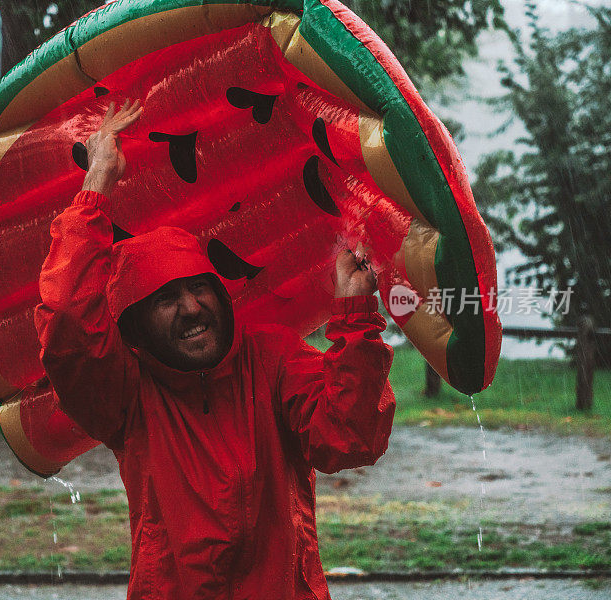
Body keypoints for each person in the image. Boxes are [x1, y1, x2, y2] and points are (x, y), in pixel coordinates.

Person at [34, 100, 395, 599]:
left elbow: (350, 437)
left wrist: (354, 315)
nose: (190, 308)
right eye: (164, 300)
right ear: (135, 327)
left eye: (199, 288)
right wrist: (98, 185)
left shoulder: (271, 357)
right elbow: (69, 322)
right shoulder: (125, 396)